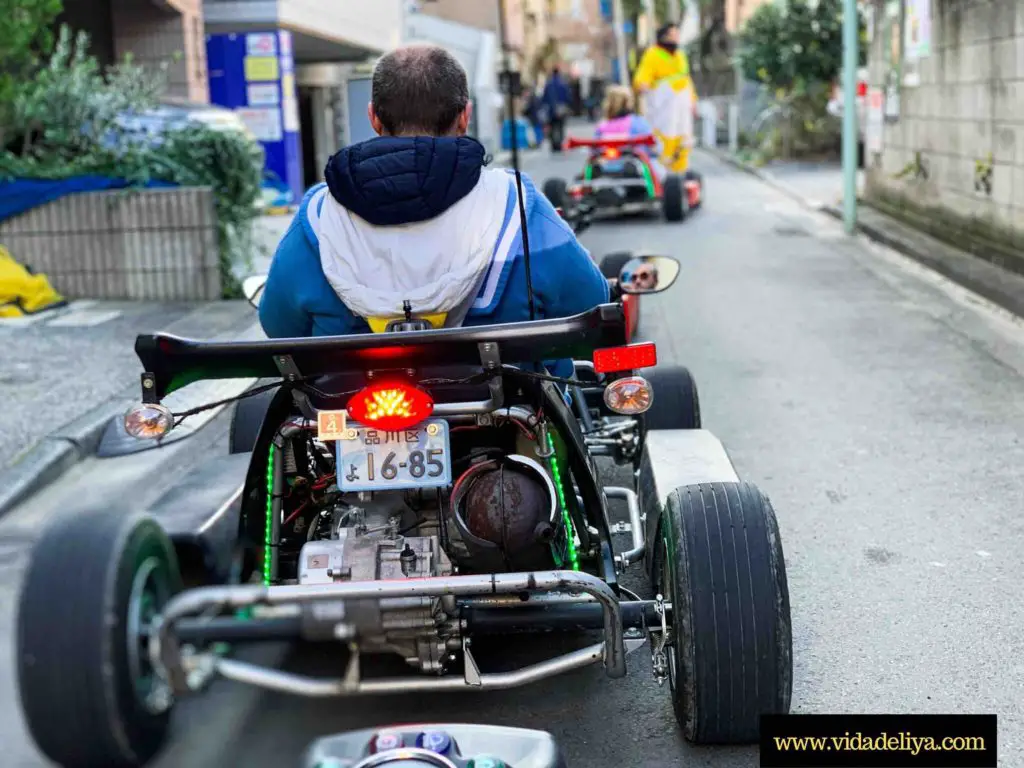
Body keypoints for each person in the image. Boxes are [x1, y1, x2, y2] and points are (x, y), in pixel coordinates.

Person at [258, 44, 609, 385]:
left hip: (347, 407)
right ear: (465, 117)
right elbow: (589, 301)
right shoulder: (514, 201)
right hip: (508, 409)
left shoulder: (319, 215)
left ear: (374, 117)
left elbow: (279, 325)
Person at [632, 23, 699, 175]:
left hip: (682, 102)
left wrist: (693, 100)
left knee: (683, 137)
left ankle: (680, 171)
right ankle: (662, 171)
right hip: (664, 103)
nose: (676, 38)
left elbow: (686, 78)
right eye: (673, 35)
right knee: (665, 136)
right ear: (664, 37)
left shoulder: (680, 55)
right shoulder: (653, 54)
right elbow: (643, 75)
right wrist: (641, 84)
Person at [594, 85, 667, 181]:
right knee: (658, 167)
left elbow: (595, 152)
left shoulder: (602, 127)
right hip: (636, 170)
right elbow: (656, 149)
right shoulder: (638, 123)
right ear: (629, 103)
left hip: (607, 169)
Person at [542, 66, 571, 152]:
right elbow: (568, 97)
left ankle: (554, 144)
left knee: (552, 127)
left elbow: (544, 98)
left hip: (551, 110)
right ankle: (559, 144)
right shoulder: (563, 83)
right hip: (561, 109)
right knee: (560, 126)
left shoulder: (548, 84)